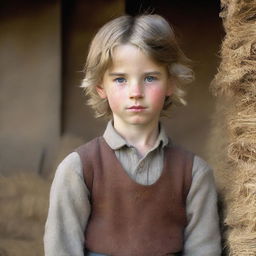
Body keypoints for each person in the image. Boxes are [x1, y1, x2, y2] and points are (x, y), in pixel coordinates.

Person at [44, 14, 221, 256]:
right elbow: (61, 250)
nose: (135, 92)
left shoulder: (194, 173)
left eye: (150, 78)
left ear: (170, 83)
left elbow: (204, 250)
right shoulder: (78, 169)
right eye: (120, 79)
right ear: (100, 87)